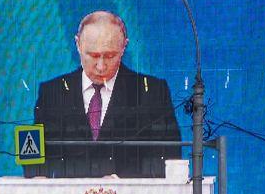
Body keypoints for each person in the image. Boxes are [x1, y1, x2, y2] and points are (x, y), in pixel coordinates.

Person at [28, 10, 181, 179]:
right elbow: (33, 154)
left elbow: (169, 159)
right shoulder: (52, 93)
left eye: (110, 56)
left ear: (124, 47)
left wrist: (124, 183)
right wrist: (36, 178)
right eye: (93, 56)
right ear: (78, 44)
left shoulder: (151, 93)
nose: (101, 67)